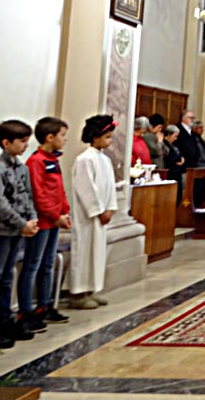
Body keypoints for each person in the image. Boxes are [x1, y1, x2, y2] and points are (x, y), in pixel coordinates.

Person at [0, 120, 39, 349]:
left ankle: (5, 321)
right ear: (6, 143)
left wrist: (32, 220)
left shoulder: (21, 168)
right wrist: (21, 223)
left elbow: (27, 196)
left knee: (7, 277)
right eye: (22, 141)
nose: (26, 145)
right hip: (1, 231)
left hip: (18, 230)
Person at [19, 116, 72, 331]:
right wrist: (55, 215)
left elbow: (59, 190)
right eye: (62, 135)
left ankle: (45, 305)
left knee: (48, 264)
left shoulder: (53, 160)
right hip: (41, 222)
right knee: (32, 265)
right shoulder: (36, 161)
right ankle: (25, 311)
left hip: (54, 221)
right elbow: (38, 195)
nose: (65, 140)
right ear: (50, 137)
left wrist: (65, 211)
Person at [69, 115, 118, 310]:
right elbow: (86, 188)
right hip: (88, 217)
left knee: (96, 253)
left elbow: (110, 186)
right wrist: (98, 210)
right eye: (107, 137)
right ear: (95, 137)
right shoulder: (84, 159)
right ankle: (79, 293)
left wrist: (110, 208)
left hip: (102, 216)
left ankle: (92, 289)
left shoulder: (105, 159)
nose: (110, 141)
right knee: (84, 252)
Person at [190, 120, 205, 206]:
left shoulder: (201, 139)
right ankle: (198, 205)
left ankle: (203, 204)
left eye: (202, 128)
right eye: (200, 128)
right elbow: (199, 153)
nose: (202, 129)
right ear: (194, 129)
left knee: (204, 188)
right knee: (198, 189)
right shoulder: (193, 139)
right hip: (198, 165)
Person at [162, 124, 185, 204]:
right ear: (168, 134)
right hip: (170, 174)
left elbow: (179, 155)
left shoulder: (173, 145)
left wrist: (181, 158)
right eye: (175, 136)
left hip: (176, 174)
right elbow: (168, 159)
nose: (176, 138)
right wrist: (179, 159)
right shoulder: (164, 144)